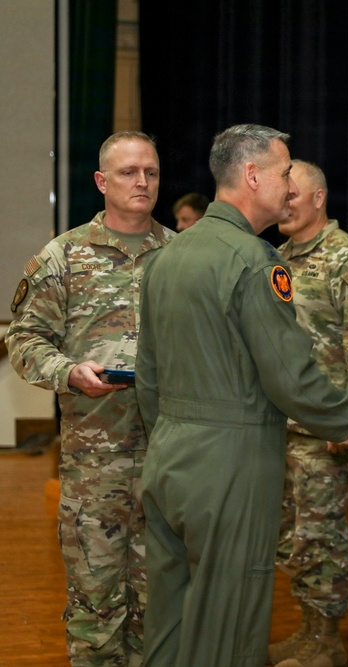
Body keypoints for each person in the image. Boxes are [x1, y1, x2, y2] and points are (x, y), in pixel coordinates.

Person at [135, 124, 348, 667]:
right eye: (285, 173)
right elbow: (291, 378)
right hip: (230, 464)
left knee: (171, 619)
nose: (289, 187)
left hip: (168, 456)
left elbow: (148, 376)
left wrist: (172, 433)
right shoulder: (254, 262)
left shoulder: (167, 256)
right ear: (252, 174)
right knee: (228, 623)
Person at [5, 130, 173, 666]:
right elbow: (23, 339)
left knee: (160, 606)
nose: (142, 181)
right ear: (102, 181)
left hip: (168, 460)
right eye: (128, 172)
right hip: (93, 466)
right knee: (95, 608)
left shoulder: (179, 256)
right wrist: (69, 371)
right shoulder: (65, 255)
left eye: (150, 171)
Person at [267, 160, 348, 667]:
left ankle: (325, 641)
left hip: (321, 426)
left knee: (320, 534)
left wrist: (347, 419)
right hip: (279, 423)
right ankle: (308, 631)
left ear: (318, 199)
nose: (285, 203)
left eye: (294, 195)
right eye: (280, 195)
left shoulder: (344, 260)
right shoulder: (277, 258)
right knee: (288, 535)